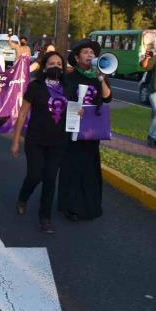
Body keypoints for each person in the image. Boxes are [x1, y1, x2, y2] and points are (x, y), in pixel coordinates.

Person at [11, 51, 68, 234]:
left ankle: (45, 218)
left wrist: (79, 112)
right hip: (35, 140)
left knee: (50, 179)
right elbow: (22, 114)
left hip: (58, 142)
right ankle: (23, 196)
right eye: (52, 64)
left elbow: (75, 111)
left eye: (59, 64)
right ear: (44, 67)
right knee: (35, 176)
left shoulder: (68, 88)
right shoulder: (35, 87)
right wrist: (15, 141)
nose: (56, 67)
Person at [58, 39, 112, 221]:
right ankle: (70, 206)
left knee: (90, 167)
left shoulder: (99, 76)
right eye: (86, 52)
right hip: (72, 127)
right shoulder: (70, 77)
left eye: (92, 53)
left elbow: (107, 98)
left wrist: (101, 78)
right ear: (76, 57)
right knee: (72, 167)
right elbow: (62, 100)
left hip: (91, 130)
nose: (90, 55)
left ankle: (90, 205)